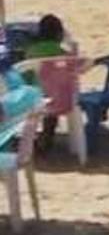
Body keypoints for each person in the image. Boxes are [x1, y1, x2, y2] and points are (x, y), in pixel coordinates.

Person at [24, 14, 70, 151]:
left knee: (32, 112)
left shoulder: (31, 51)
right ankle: (47, 136)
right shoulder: (62, 53)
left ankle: (30, 140)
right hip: (59, 98)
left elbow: (26, 75)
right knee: (53, 111)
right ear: (59, 34)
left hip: (35, 96)